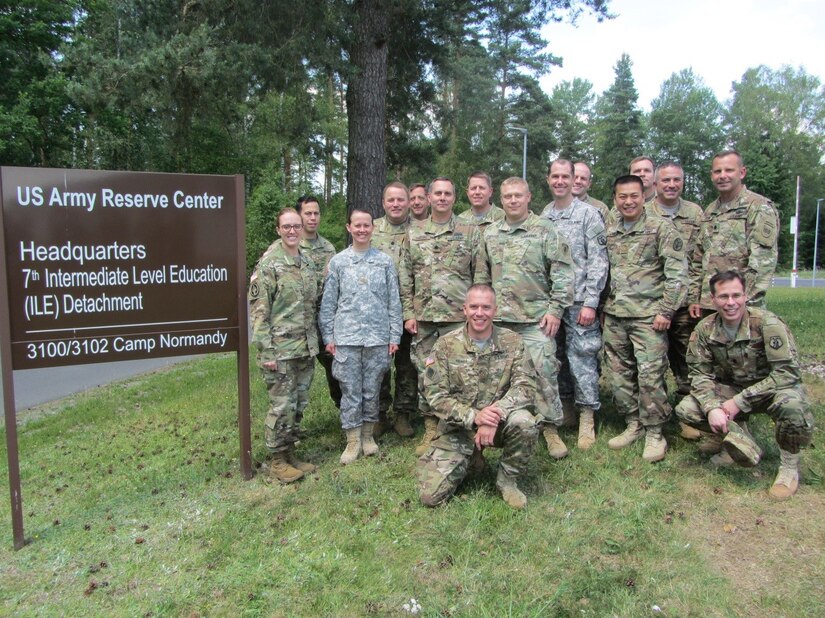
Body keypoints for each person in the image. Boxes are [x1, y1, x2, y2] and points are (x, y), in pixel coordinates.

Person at [675, 271, 813, 500]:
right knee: (687, 409)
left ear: (746, 296)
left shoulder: (768, 324)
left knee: (793, 405)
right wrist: (712, 408)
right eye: (724, 296)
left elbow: (787, 373)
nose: (731, 303)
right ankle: (736, 442)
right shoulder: (704, 329)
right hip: (732, 390)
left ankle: (788, 468)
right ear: (713, 299)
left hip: (771, 391)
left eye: (736, 295)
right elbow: (700, 374)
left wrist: (739, 402)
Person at [477, 176, 574, 458]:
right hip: (499, 321)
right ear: (501, 199)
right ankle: (498, 424)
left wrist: (556, 310)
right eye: (508, 196)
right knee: (495, 376)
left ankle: (550, 429)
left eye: (518, 195)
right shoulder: (491, 234)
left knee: (544, 372)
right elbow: (482, 277)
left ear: (529, 197)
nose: (513, 200)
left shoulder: (546, 230)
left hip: (535, 320)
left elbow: (563, 273)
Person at [417, 284, 538, 509]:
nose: (479, 313)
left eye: (485, 307)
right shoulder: (445, 345)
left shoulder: (513, 342)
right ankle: (472, 459)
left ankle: (507, 481)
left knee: (525, 423)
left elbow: (526, 387)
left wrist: (495, 415)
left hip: (501, 424)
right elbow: (435, 396)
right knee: (430, 497)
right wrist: (475, 417)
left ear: (495, 310)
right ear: (464, 309)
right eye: (474, 307)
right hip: (459, 426)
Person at [602, 175, 687, 462]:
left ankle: (655, 433)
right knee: (618, 375)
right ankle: (633, 423)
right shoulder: (611, 229)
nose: (628, 201)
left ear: (644, 195)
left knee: (650, 376)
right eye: (622, 196)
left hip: (649, 318)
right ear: (615, 198)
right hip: (615, 316)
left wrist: (666, 310)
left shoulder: (661, 228)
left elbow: (677, 275)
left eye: (633, 196)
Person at [399, 177, 481, 455]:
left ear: (454, 198)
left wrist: (475, 312)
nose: (443, 198)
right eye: (438, 193)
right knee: (427, 372)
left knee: (460, 374)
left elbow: (479, 276)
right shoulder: (414, 232)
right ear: (429, 198)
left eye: (448, 193)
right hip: (424, 319)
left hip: (459, 320)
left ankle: (458, 427)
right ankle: (431, 426)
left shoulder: (469, 232)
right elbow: (405, 276)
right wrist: (409, 313)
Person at [319, 209, 403, 464]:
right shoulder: (338, 262)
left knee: (372, 389)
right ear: (349, 228)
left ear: (372, 229)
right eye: (358, 225)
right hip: (347, 338)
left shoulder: (385, 262)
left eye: (367, 225)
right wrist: (328, 336)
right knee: (350, 391)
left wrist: (394, 336)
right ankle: (352, 440)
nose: (362, 230)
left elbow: (393, 302)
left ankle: (368, 436)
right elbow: (329, 303)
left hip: (378, 337)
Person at [248, 208, 320, 483]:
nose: (292, 231)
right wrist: (266, 352)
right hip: (279, 350)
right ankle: (277, 461)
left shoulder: (307, 263)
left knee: (298, 404)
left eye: (296, 226)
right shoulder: (269, 265)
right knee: (281, 406)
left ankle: (290, 454)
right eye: (286, 227)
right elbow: (259, 312)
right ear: (278, 230)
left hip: (304, 347)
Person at [541, 160, 609, 450]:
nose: (560, 181)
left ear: (573, 180)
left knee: (582, 358)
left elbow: (598, 261)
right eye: (555, 176)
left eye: (564, 176)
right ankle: (565, 408)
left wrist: (591, 302)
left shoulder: (588, 215)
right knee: (557, 359)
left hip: (580, 300)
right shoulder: (544, 215)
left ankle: (586, 416)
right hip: (552, 302)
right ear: (548, 180)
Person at [688, 150, 779, 317]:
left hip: (740, 307)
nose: (723, 176)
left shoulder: (758, 207)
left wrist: (745, 302)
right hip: (710, 304)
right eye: (718, 171)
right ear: (712, 175)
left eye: (729, 170)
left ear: (742, 172)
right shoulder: (710, 211)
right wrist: (695, 297)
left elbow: (762, 263)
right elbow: (699, 259)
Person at [648, 161, 704, 406]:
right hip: (651, 302)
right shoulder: (644, 212)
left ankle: (687, 410)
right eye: (666, 180)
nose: (671, 185)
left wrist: (695, 297)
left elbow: (701, 258)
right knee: (652, 360)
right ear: (655, 183)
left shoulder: (695, 213)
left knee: (686, 358)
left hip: (684, 303)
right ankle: (656, 408)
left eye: (676, 180)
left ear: (682, 181)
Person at [371, 182, 418, 438]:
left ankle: (403, 414)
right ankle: (379, 414)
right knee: (380, 364)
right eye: (391, 200)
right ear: (383, 203)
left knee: (407, 365)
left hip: (410, 309)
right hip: (378, 311)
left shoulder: (421, 230)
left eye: (401, 199)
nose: (396, 204)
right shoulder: (372, 230)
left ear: (409, 202)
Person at [296, 195, 342, 408]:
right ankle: (292, 427)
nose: (313, 218)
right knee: (297, 376)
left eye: (316, 213)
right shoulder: (290, 246)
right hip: (298, 323)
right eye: (308, 213)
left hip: (324, 322)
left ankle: (344, 414)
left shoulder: (329, 249)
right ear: (299, 216)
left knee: (336, 370)